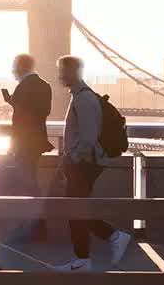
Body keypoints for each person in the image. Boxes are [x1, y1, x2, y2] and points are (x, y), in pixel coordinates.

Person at [52, 55, 133, 272]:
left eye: (62, 70)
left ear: (73, 71)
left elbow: (87, 138)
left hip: (84, 164)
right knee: (77, 209)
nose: (59, 75)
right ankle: (84, 258)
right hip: (81, 163)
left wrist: (73, 159)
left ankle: (110, 239)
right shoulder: (79, 96)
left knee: (75, 209)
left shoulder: (84, 99)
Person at [0, 53, 53, 242]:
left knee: (27, 185)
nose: (13, 70)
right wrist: (14, 101)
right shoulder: (44, 85)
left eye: (14, 66)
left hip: (25, 143)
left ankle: (36, 229)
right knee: (30, 182)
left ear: (20, 67)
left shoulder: (24, 87)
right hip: (35, 142)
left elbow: (25, 114)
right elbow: (43, 111)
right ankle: (37, 229)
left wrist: (14, 101)